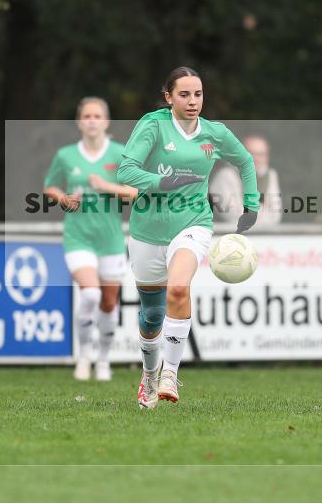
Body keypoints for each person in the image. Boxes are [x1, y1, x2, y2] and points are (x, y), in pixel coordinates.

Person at [117, 66, 261, 409]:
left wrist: (251, 204)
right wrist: (160, 182)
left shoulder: (215, 133)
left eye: (198, 94)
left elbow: (245, 161)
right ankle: (149, 375)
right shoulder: (153, 125)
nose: (193, 101)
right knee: (151, 315)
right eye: (184, 94)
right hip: (147, 231)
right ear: (169, 97)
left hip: (193, 224)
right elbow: (126, 171)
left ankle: (170, 372)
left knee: (179, 288)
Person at [44, 97, 137, 381]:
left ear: (106, 122)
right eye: (87, 116)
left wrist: (106, 186)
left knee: (109, 303)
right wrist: (64, 199)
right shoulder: (66, 155)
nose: (92, 120)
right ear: (79, 121)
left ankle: (104, 359)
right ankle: (84, 356)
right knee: (90, 293)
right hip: (78, 236)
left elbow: (134, 192)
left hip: (109, 239)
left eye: (97, 116)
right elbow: (50, 187)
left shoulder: (120, 154)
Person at [209, 134, 282, 226]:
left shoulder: (270, 175)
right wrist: (263, 209)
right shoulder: (226, 175)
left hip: (263, 236)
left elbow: (275, 215)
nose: (256, 158)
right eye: (251, 153)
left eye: (261, 154)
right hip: (227, 236)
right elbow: (232, 216)